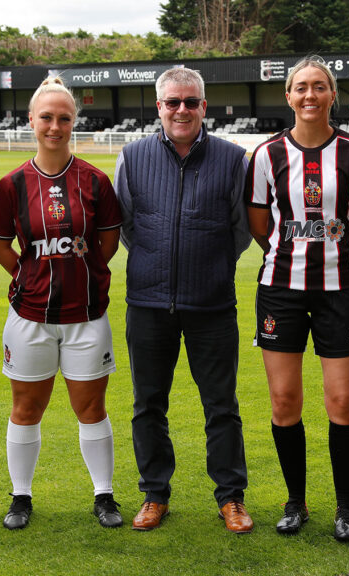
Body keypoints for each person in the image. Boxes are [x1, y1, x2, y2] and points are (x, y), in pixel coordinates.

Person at [245, 56, 349, 543]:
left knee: (342, 401)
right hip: (280, 290)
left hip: (340, 291)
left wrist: (346, 255)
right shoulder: (265, 155)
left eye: (319, 87)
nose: (309, 95)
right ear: (288, 96)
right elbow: (260, 226)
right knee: (285, 402)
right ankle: (295, 502)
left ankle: (345, 507)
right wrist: (289, 255)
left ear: (332, 94)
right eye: (300, 87)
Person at [113, 67, 254, 534]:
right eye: (172, 102)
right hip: (148, 304)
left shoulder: (234, 159)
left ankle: (230, 497)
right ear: (159, 107)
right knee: (148, 404)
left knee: (222, 406)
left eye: (191, 102)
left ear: (203, 107)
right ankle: (155, 495)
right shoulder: (132, 158)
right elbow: (128, 227)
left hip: (212, 304)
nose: (182, 110)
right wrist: (159, 262)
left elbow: (240, 230)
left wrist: (206, 264)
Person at [0, 77, 123, 531]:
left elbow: (107, 244)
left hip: (86, 317)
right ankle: (21, 497)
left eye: (64, 118)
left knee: (92, 409)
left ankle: (103, 496)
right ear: (31, 120)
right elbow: (1, 247)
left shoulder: (96, 180)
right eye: (46, 117)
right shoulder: (11, 185)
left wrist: (77, 274)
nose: (55, 126)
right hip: (30, 316)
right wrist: (33, 276)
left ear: (73, 123)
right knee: (26, 408)